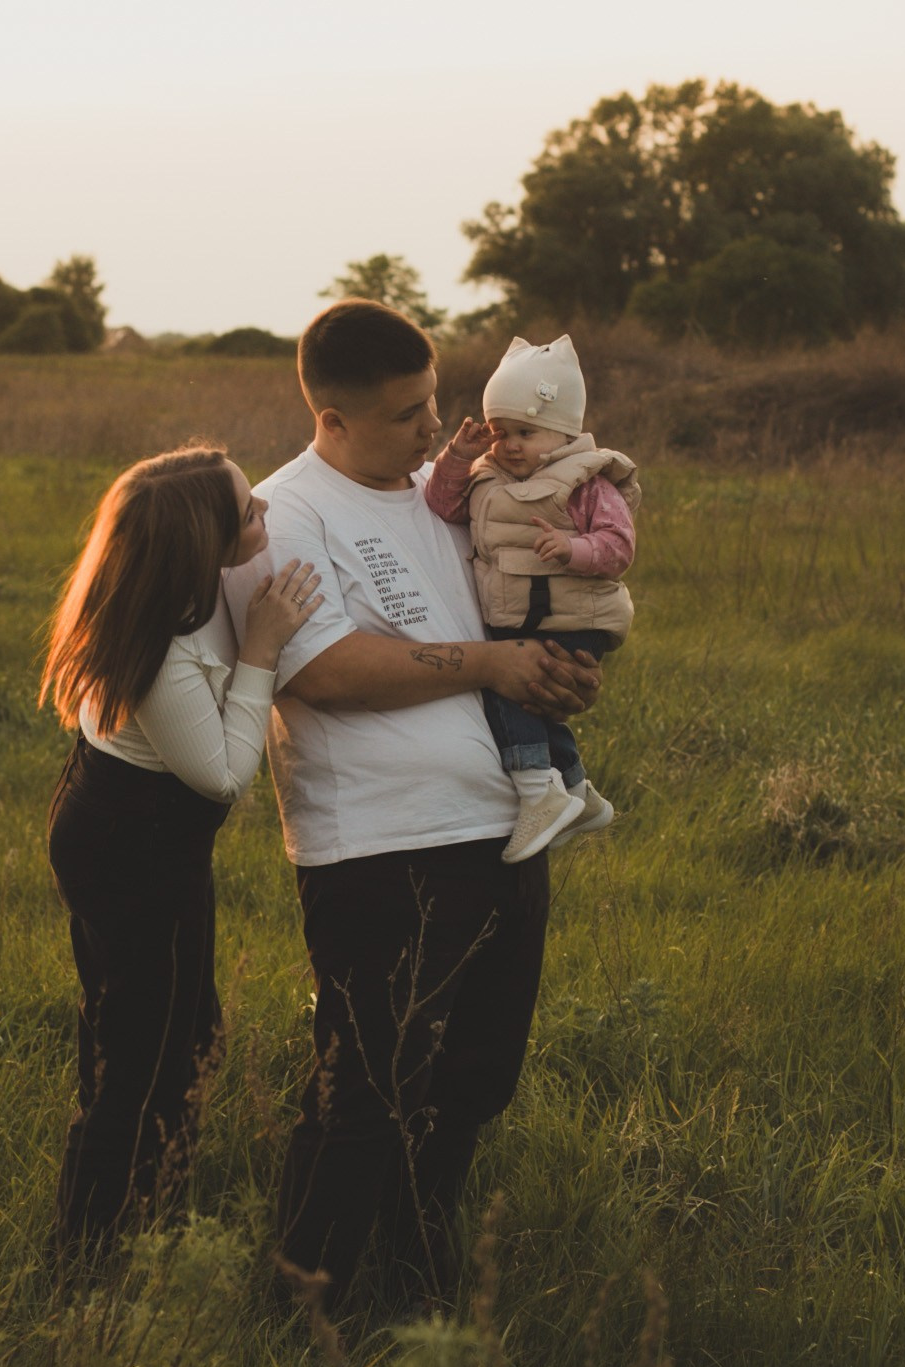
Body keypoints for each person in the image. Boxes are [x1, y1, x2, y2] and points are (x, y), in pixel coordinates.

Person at [220, 301, 601, 1314]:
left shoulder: (447, 495)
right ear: (331, 418)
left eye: (432, 401)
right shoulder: (284, 514)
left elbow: (507, 618)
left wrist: (553, 672)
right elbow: (322, 669)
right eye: (404, 414)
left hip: (503, 828)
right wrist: (488, 664)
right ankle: (304, 1308)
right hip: (381, 848)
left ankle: (414, 1273)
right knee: (367, 1091)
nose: (432, 426)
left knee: (474, 1078)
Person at [40, 445, 323, 1267]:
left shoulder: (176, 589)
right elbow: (224, 776)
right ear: (200, 543)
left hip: (125, 829)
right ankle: (89, 1254)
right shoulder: (161, 649)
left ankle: (144, 1211)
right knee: (152, 1058)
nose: (264, 512)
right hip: (136, 846)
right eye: (247, 512)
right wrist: (262, 649)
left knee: (166, 1033)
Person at [423, 334, 640, 861]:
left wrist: (572, 549)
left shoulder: (588, 482)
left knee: (512, 691)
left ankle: (538, 792)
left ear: (564, 432)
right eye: (500, 433)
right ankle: (578, 792)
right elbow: (443, 503)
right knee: (536, 702)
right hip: (525, 615)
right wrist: (459, 456)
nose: (510, 445)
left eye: (526, 432)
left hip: (574, 614)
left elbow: (619, 546)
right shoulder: (487, 476)